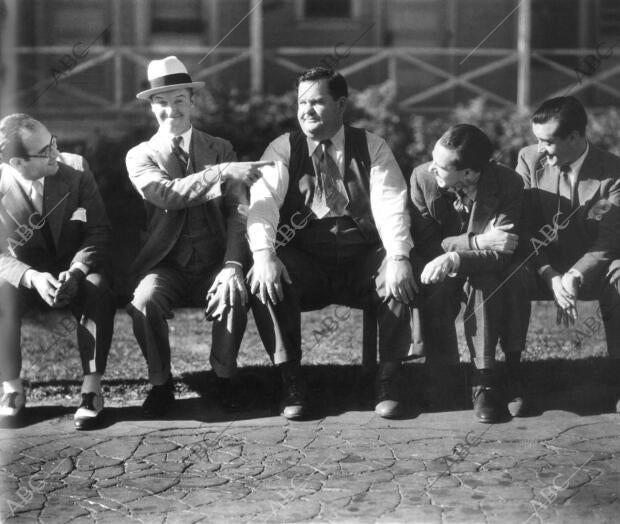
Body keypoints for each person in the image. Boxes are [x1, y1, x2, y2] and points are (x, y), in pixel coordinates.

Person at [247, 67, 417, 420]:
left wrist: (398, 256)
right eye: (301, 103)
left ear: (341, 104)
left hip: (361, 261)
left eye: (317, 102)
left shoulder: (372, 147)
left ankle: (389, 379)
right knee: (265, 273)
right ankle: (291, 379)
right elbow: (262, 208)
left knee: (395, 268)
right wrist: (264, 255)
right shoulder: (283, 149)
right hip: (307, 262)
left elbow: (390, 205)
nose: (306, 111)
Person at [125, 56, 270, 417]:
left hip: (213, 260)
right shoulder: (140, 155)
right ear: (151, 107)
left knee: (235, 288)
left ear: (192, 101)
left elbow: (238, 211)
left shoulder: (220, 148)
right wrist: (221, 173)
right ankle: (160, 384)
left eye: (178, 100)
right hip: (166, 265)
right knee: (144, 301)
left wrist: (233, 263)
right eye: (161, 102)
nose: (170, 110)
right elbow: (167, 195)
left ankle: (223, 377)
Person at [501, 96, 620, 414]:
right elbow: (523, 226)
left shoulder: (613, 172)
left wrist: (575, 275)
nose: (540, 149)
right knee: (510, 276)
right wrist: (551, 275)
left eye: (547, 142)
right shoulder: (529, 159)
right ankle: (513, 378)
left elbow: (609, 240)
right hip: (543, 267)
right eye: (537, 140)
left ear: (575, 137)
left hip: (595, 269)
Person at [0, 114, 115, 430]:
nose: (55, 153)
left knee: (97, 285)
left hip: (75, 270)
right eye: (44, 151)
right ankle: (11, 388)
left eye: (53, 143)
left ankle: (91, 390)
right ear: (17, 163)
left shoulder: (76, 169)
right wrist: (32, 277)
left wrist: (77, 271)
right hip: (26, 277)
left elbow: (99, 231)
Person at [410, 124, 524, 423]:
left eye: (441, 166)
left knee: (484, 283)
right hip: (437, 266)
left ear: (470, 173)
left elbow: (503, 249)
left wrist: (458, 257)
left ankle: (483, 379)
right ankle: (441, 373)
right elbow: (427, 243)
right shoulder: (423, 179)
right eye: (432, 160)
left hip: (484, 267)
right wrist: (474, 242)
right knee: (435, 288)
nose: (431, 168)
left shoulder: (508, 183)